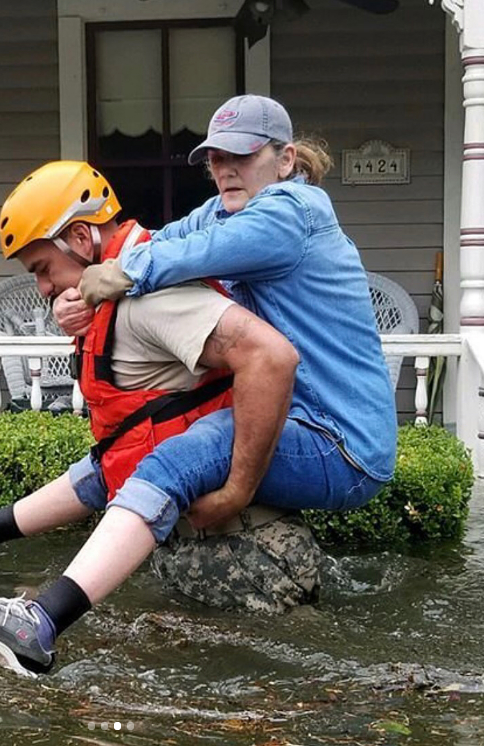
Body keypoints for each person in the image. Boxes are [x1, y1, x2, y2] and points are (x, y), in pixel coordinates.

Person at [0, 160, 306, 678]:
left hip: (251, 562)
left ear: (81, 237)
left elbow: (269, 357)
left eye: (40, 268)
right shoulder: (115, 290)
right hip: (210, 551)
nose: (41, 287)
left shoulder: (156, 299)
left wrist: (238, 487)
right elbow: (128, 442)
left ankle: (37, 625)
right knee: (118, 452)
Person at [74, 94, 397, 529]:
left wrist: (235, 493)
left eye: (241, 156)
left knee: (180, 457)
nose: (225, 169)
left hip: (341, 447)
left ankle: (59, 600)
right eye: (215, 158)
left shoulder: (291, 214)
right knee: (126, 448)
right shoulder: (223, 210)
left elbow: (196, 252)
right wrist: (80, 278)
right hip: (294, 423)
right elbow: (161, 240)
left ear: (285, 160)